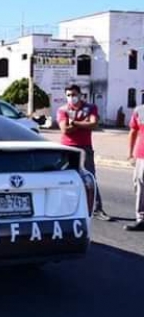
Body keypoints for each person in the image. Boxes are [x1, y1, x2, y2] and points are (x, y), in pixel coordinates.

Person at [56, 83, 111, 221]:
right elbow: (65, 130)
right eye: (68, 95)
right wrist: (82, 123)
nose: (71, 97)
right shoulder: (63, 110)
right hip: (67, 148)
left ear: (80, 95)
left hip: (85, 147)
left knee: (90, 178)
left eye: (74, 94)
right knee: (65, 178)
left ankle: (97, 209)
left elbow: (93, 124)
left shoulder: (90, 107)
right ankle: (64, 207)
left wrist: (74, 123)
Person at [125, 104, 144, 231]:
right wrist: (130, 153)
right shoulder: (139, 110)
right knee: (139, 185)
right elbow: (133, 131)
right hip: (141, 155)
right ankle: (141, 218)